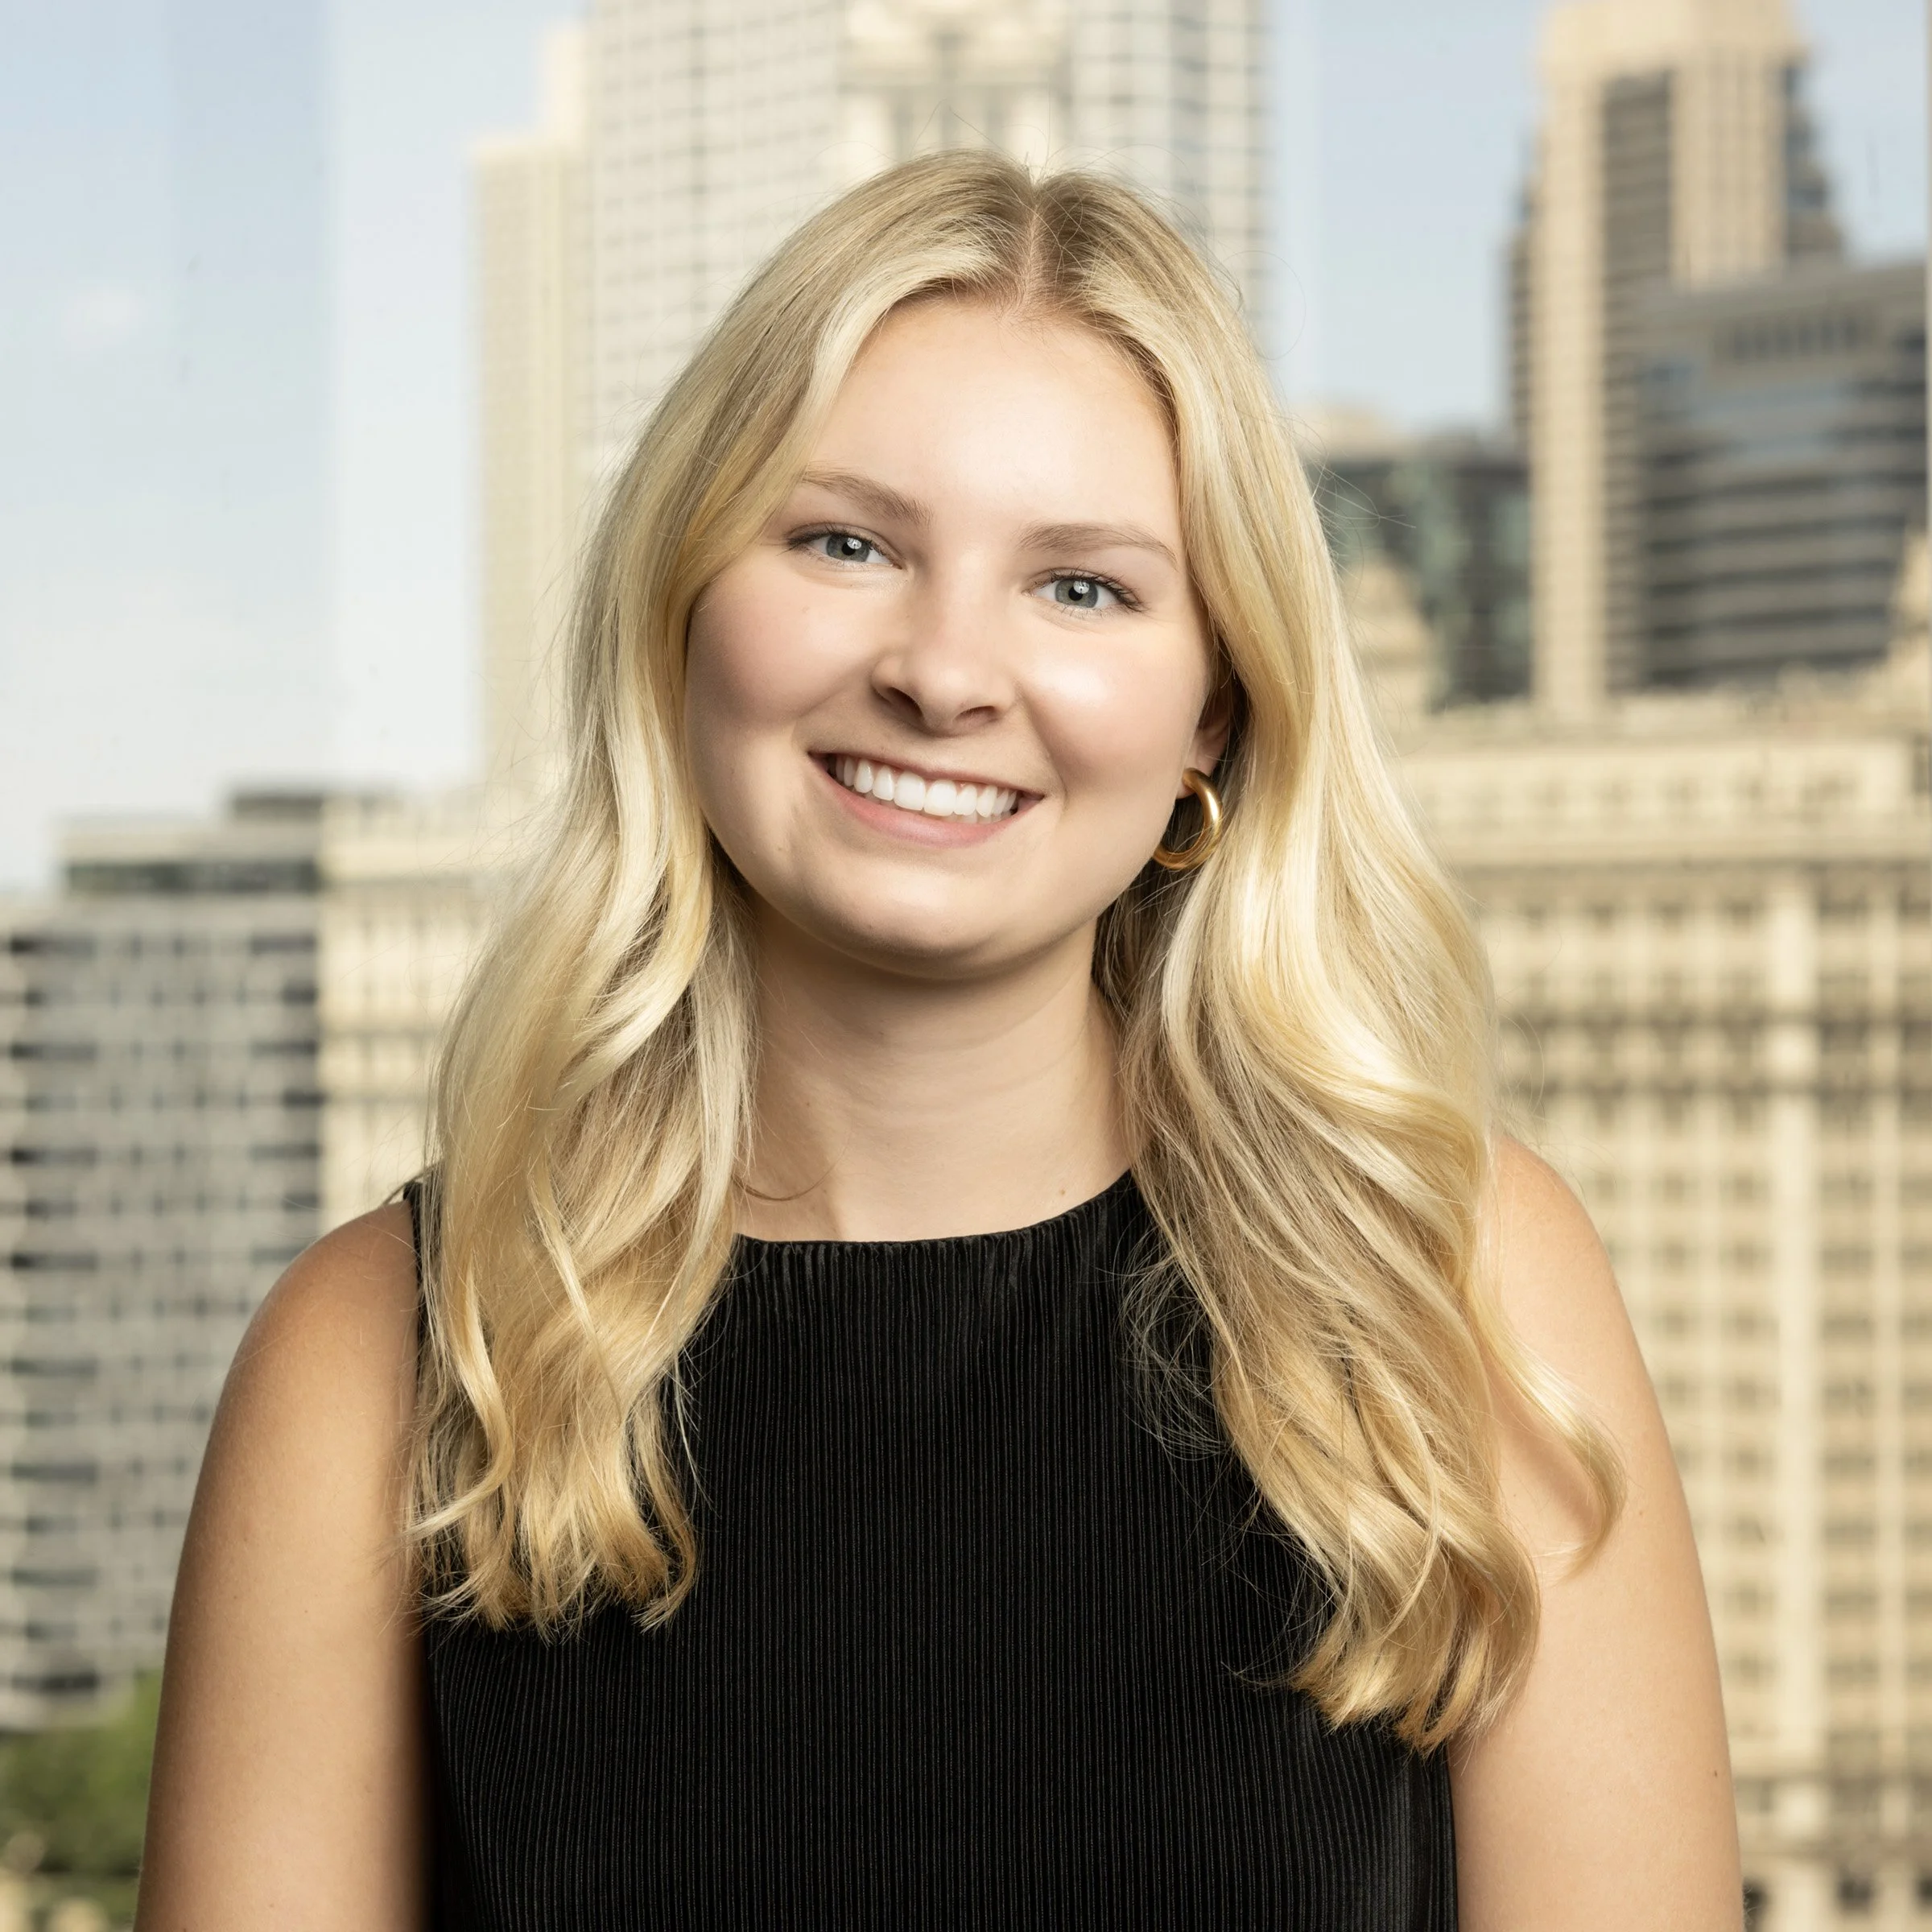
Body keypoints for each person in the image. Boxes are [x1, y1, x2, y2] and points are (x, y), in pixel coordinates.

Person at [136, 152, 1740, 1929]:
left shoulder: (1458, 1289)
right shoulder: (383, 1355)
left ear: (1214, 710)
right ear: (681, 612)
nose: (945, 670)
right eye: (845, 543)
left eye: (1084, 588)